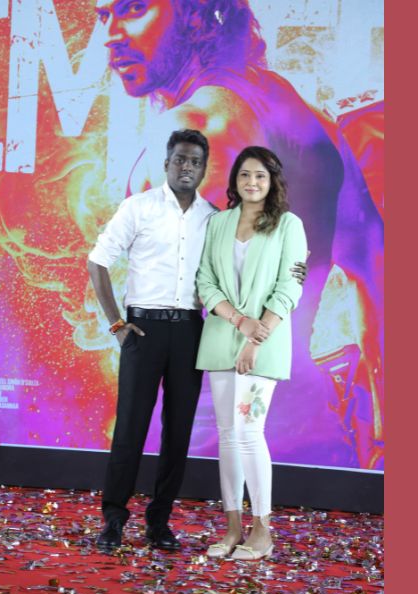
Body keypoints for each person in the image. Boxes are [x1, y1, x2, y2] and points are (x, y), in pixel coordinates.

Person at [95, 0, 384, 463]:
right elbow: (372, 264)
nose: (111, 34)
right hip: (308, 422)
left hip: (208, 432)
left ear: (194, 13)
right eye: (103, 16)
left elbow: (203, 299)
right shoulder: (295, 109)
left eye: (133, 8)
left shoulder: (197, 127)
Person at [87, 129, 306, 552]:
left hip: (191, 330)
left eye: (195, 161)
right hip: (143, 329)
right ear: (167, 162)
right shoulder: (140, 207)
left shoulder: (213, 216)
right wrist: (117, 324)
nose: (186, 167)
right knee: (130, 427)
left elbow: (258, 276)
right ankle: (113, 518)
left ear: (205, 169)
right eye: (180, 159)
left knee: (178, 432)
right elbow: (98, 260)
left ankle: (159, 522)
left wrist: (259, 318)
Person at [195, 146, 307, 560]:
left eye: (260, 175)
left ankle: (262, 531)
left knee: (247, 433)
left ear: (272, 180)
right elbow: (205, 281)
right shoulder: (219, 223)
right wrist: (238, 320)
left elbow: (290, 287)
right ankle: (232, 529)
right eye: (244, 175)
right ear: (235, 180)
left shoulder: (288, 225)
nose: (252, 182)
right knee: (227, 436)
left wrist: (255, 338)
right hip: (221, 338)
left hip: (264, 343)